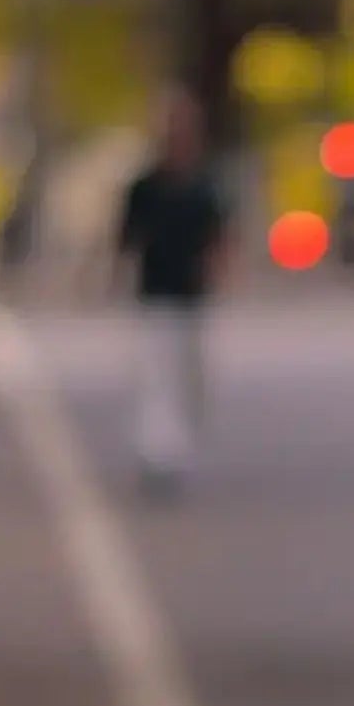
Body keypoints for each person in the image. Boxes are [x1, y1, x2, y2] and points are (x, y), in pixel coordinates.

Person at [116, 90, 229, 491]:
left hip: (192, 298)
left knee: (190, 380)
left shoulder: (204, 187)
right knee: (158, 378)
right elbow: (126, 239)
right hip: (155, 296)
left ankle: (177, 445)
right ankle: (161, 455)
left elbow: (218, 237)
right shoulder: (145, 187)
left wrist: (219, 273)